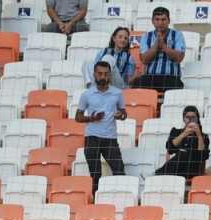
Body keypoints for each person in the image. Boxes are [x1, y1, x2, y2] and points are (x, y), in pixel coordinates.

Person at [76, 61, 128, 191]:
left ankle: (119, 195)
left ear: (110, 75)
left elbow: (124, 113)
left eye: (106, 74)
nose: (103, 77)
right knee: (95, 174)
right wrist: (91, 118)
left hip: (110, 138)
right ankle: (95, 199)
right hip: (92, 137)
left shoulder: (117, 93)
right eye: (100, 74)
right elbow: (78, 117)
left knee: (119, 171)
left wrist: (120, 115)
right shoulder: (86, 94)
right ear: (94, 75)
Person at [132, 7, 184, 91]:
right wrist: (156, 44)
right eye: (157, 19)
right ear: (152, 21)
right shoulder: (146, 36)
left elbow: (179, 57)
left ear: (169, 21)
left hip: (170, 78)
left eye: (163, 19)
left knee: (177, 85)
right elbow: (144, 60)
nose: (160, 23)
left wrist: (163, 45)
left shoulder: (177, 35)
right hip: (150, 77)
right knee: (136, 86)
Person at [155, 104, 207, 180]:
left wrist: (199, 136)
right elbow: (170, 149)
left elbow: (203, 156)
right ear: (183, 119)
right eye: (187, 117)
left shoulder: (203, 136)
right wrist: (184, 134)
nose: (190, 120)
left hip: (192, 169)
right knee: (182, 154)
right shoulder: (176, 132)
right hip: (175, 168)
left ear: (197, 119)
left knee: (184, 154)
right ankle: (160, 174)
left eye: (193, 118)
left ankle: (158, 174)